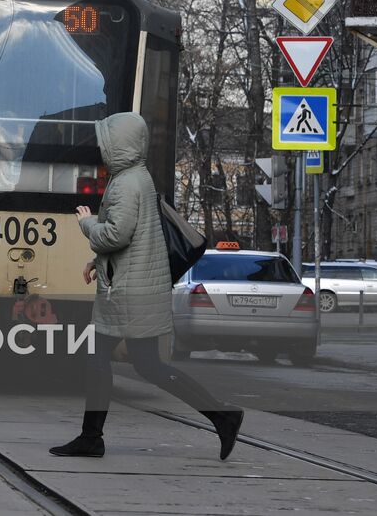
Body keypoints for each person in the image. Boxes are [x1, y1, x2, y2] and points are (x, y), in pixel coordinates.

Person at [50, 112, 244, 461]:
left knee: (97, 360)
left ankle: (91, 438)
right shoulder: (138, 178)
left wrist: (86, 222)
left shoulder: (126, 183)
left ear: (120, 144)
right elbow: (137, 240)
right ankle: (222, 417)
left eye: (107, 140)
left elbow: (115, 234)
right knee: (148, 366)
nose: (101, 147)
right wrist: (100, 262)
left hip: (128, 293)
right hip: (138, 287)